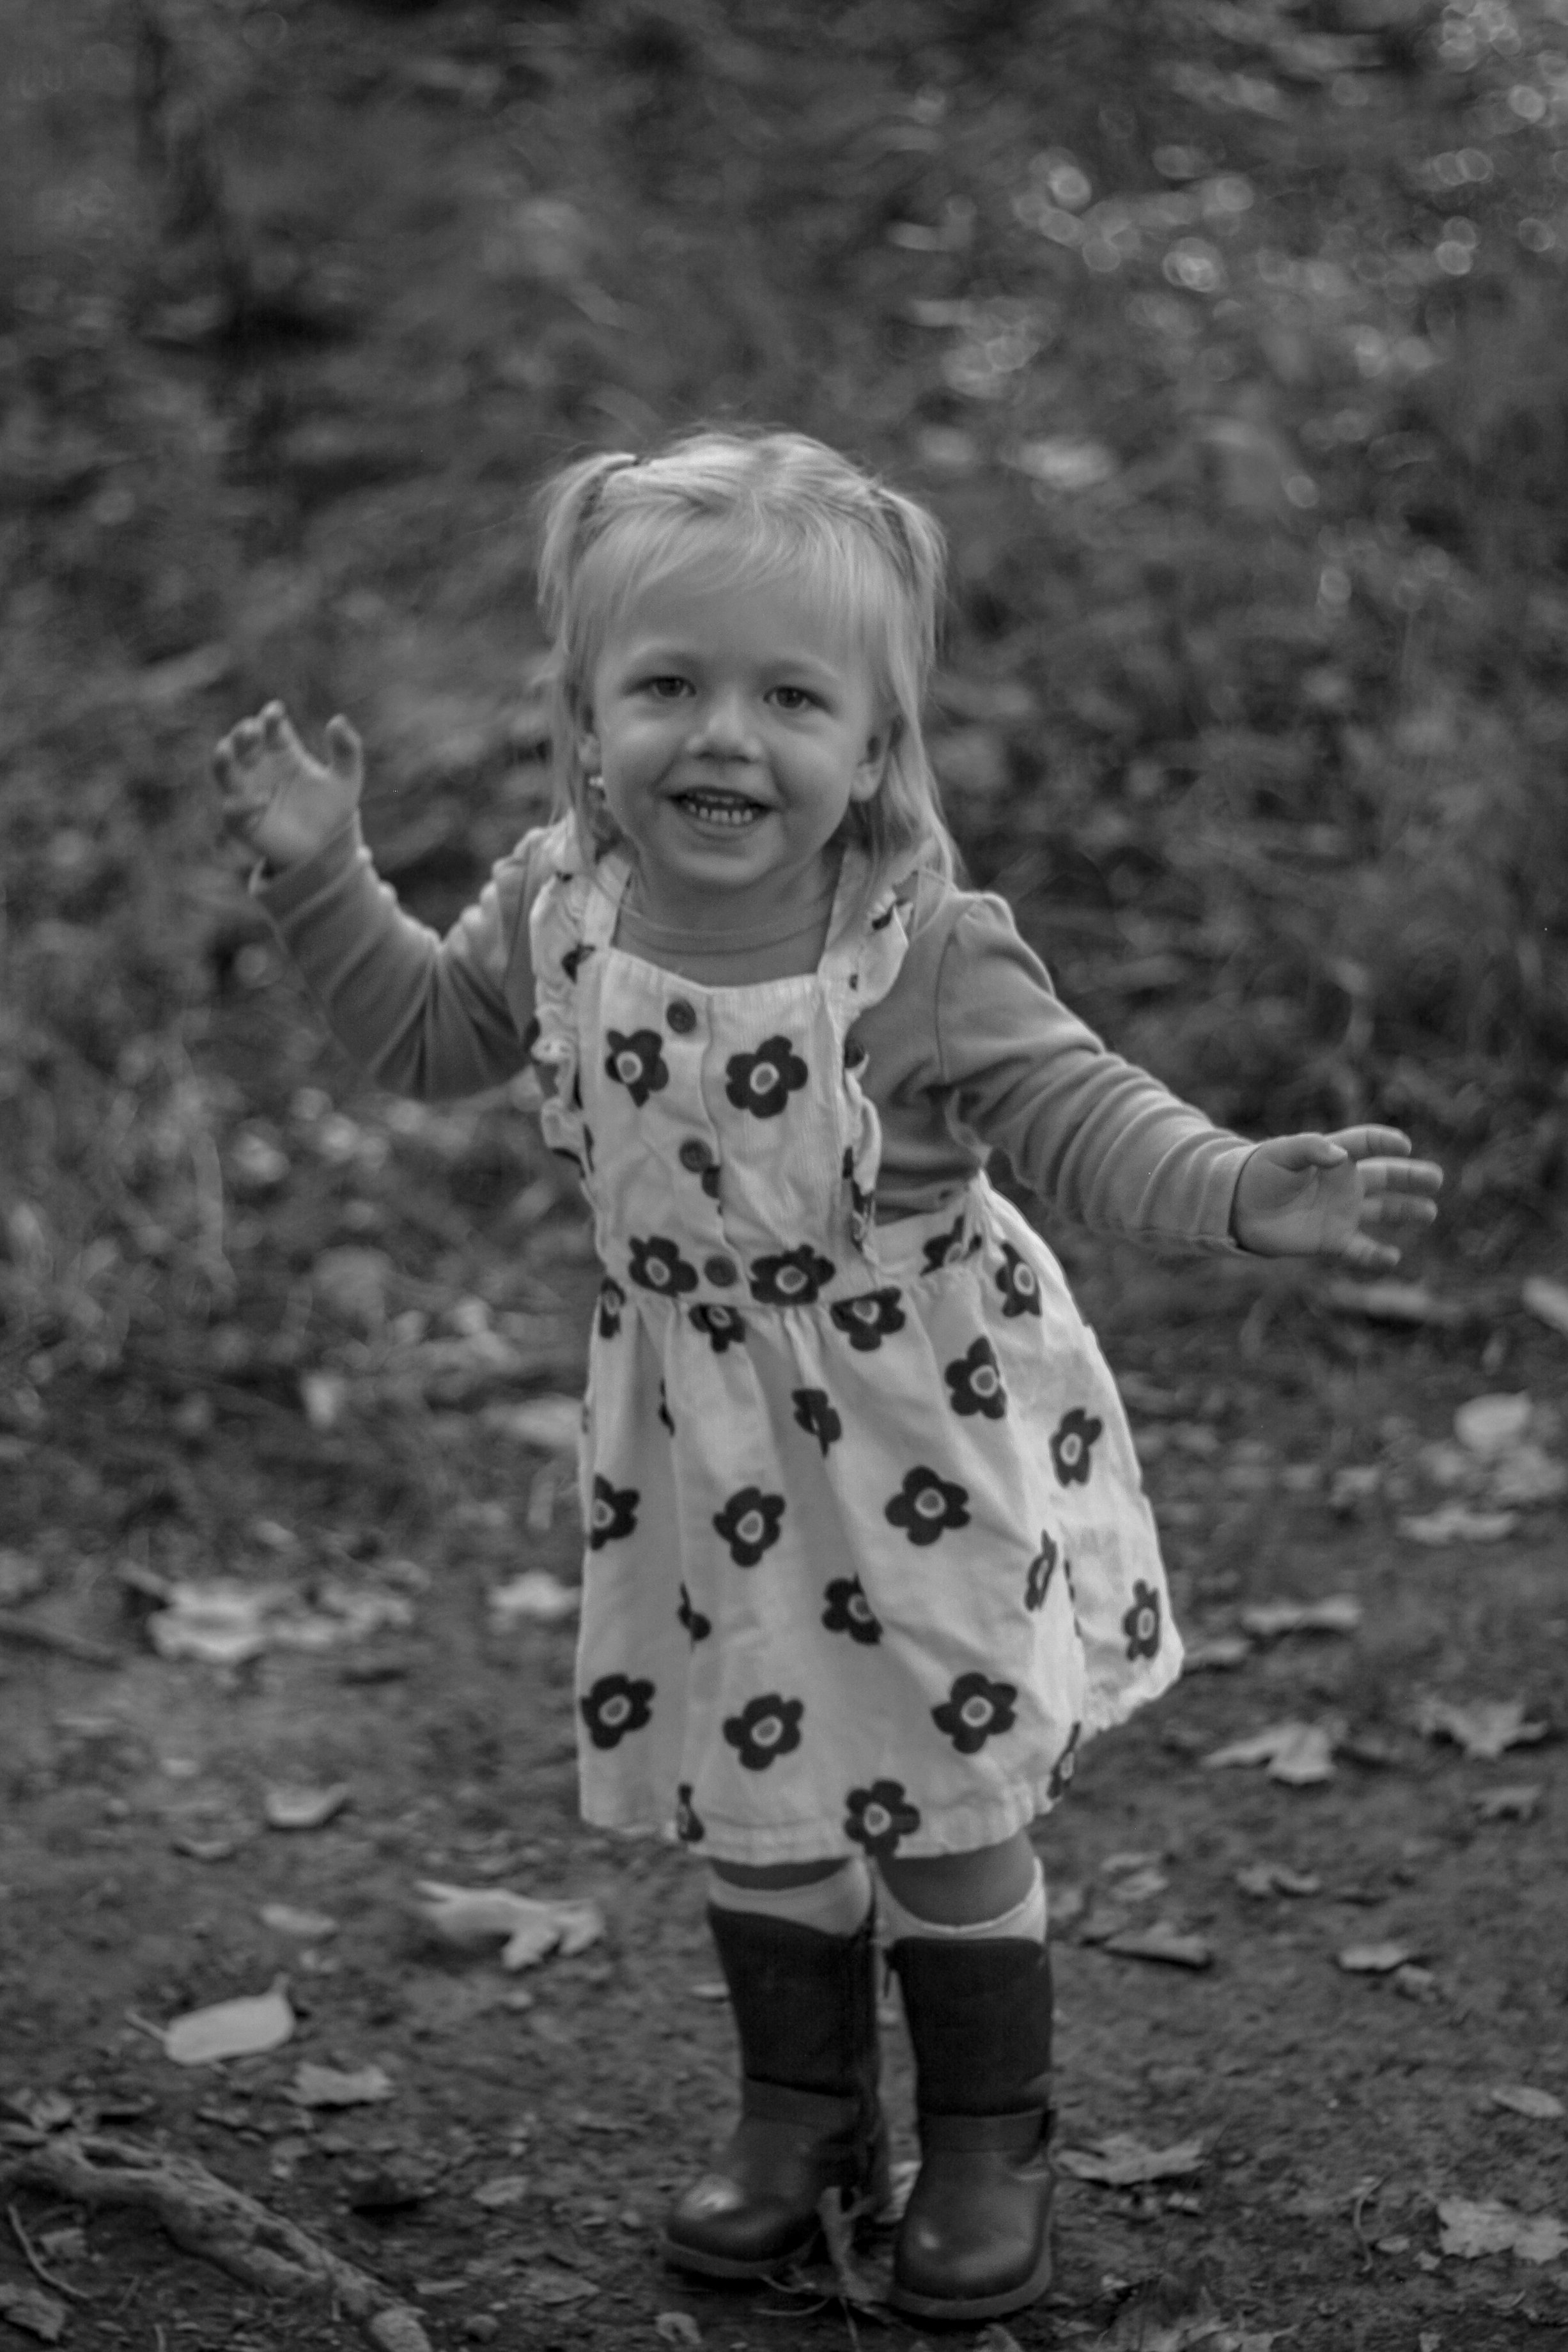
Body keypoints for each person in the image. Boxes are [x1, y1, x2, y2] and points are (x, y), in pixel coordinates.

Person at [213, 428, 1441, 2324]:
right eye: (669, 687)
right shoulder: (560, 905)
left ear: (873, 747)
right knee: (755, 1793)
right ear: (587, 719)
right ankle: (801, 2119)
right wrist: (321, 877)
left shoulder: (919, 950)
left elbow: (1080, 1109)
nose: (726, 736)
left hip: (913, 1431)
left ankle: (989, 2143)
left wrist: (1235, 1190)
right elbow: (428, 1036)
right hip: (695, 1439)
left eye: (792, 698)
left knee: (948, 1809)